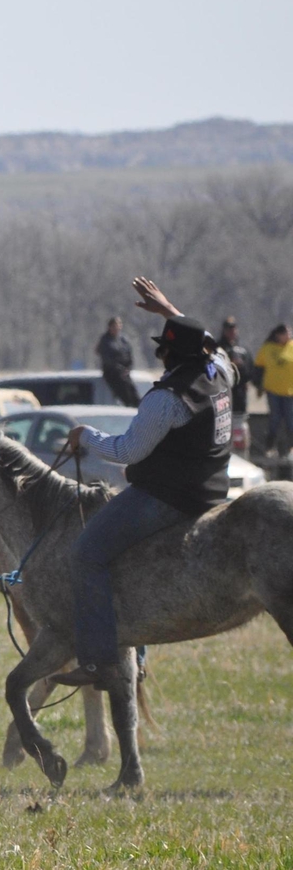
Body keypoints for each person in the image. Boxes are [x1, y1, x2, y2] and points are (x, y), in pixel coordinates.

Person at [53, 277, 235, 690]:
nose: (161, 356)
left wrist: (86, 436)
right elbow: (215, 348)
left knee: (86, 554)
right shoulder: (221, 372)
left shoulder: (166, 398)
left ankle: (101, 663)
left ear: (170, 355)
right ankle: (136, 651)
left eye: (164, 349)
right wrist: (171, 309)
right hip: (213, 491)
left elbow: (127, 451)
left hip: (169, 498)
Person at [255, 324, 293, 471]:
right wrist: (258, 385)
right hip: (273, 390)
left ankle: (291, 449)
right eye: (285, 333)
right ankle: (270, 447)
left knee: (291, 420)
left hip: (290, 391)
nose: (288, 335)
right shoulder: (268, 348)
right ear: (278, 334)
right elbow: (259, 366)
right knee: (275, 419)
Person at [217, 316, 255, 454]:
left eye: (233, 328)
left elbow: (251, 371)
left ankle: (242, 455)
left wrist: (241, 367)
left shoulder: (243, 350)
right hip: (223, 397)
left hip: (239, 398)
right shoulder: (218, 348)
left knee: (240, 431)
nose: (231, 332)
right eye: (228, 329)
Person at [96, 317, 140, 407]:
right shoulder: (105, 340)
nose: (116, 328)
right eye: (114, 326)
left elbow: (129, 354)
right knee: (122, 389)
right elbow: (107, 359)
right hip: (112, 372)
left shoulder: (123, 339)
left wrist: (128, 368)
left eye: (118, 326)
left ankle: (137, 404)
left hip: (124, 372)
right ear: (109, 327)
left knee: (132, 389)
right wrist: (120, 369)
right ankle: (128, 404)